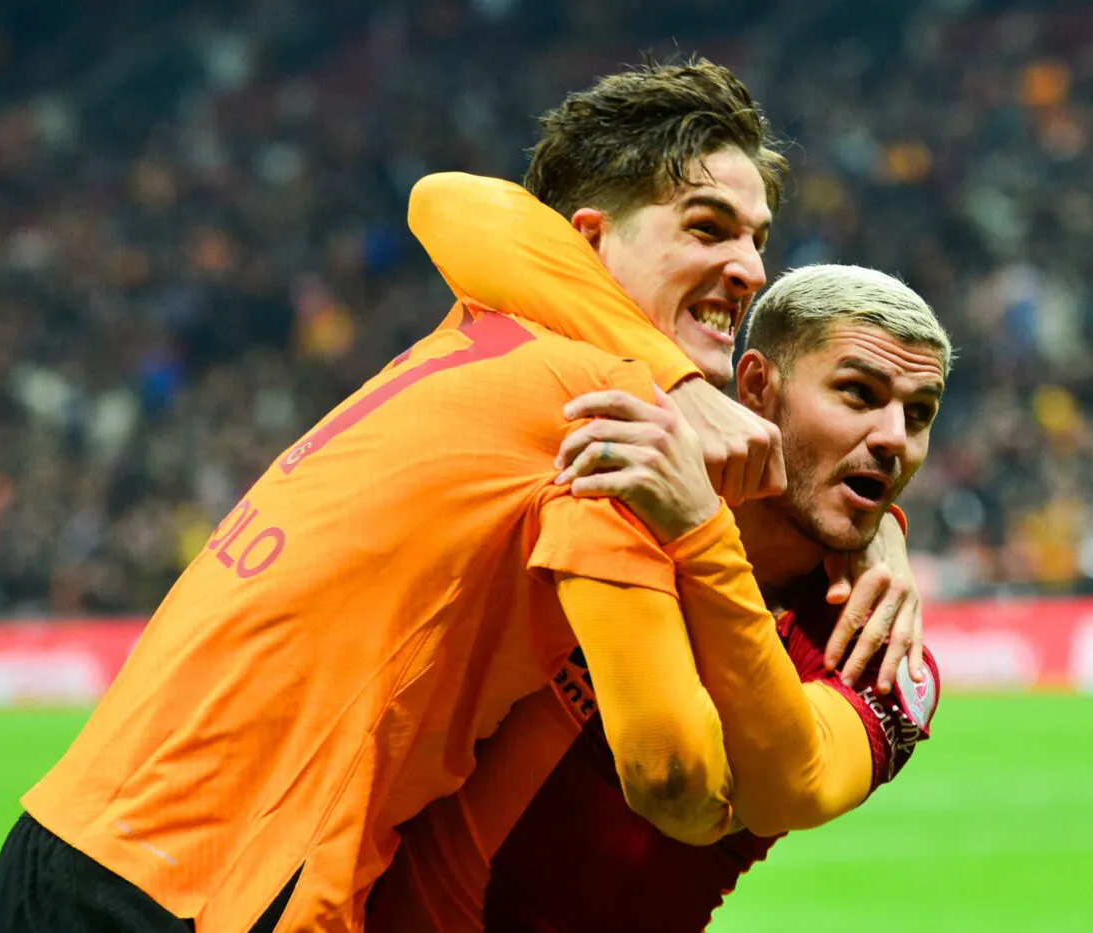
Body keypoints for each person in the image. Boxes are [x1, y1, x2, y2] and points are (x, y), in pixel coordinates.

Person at [0, 59, 919, 933]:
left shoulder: (482, 324)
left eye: (758, 240)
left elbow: (455, 201)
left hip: (69, 830)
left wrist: (873, 524)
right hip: (219, 887)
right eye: (707, 227)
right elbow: (674, 773)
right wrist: (684, 446)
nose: (751, 268)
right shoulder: (617, 424)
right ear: (586, 240)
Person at [366, 263, 950, 931]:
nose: (894, 438)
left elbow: (794, 783)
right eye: (858, 393)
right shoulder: (615, 464)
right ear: (757, 384)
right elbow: (454, 209)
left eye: (920, 412)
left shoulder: (881, 649)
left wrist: (705, 536)